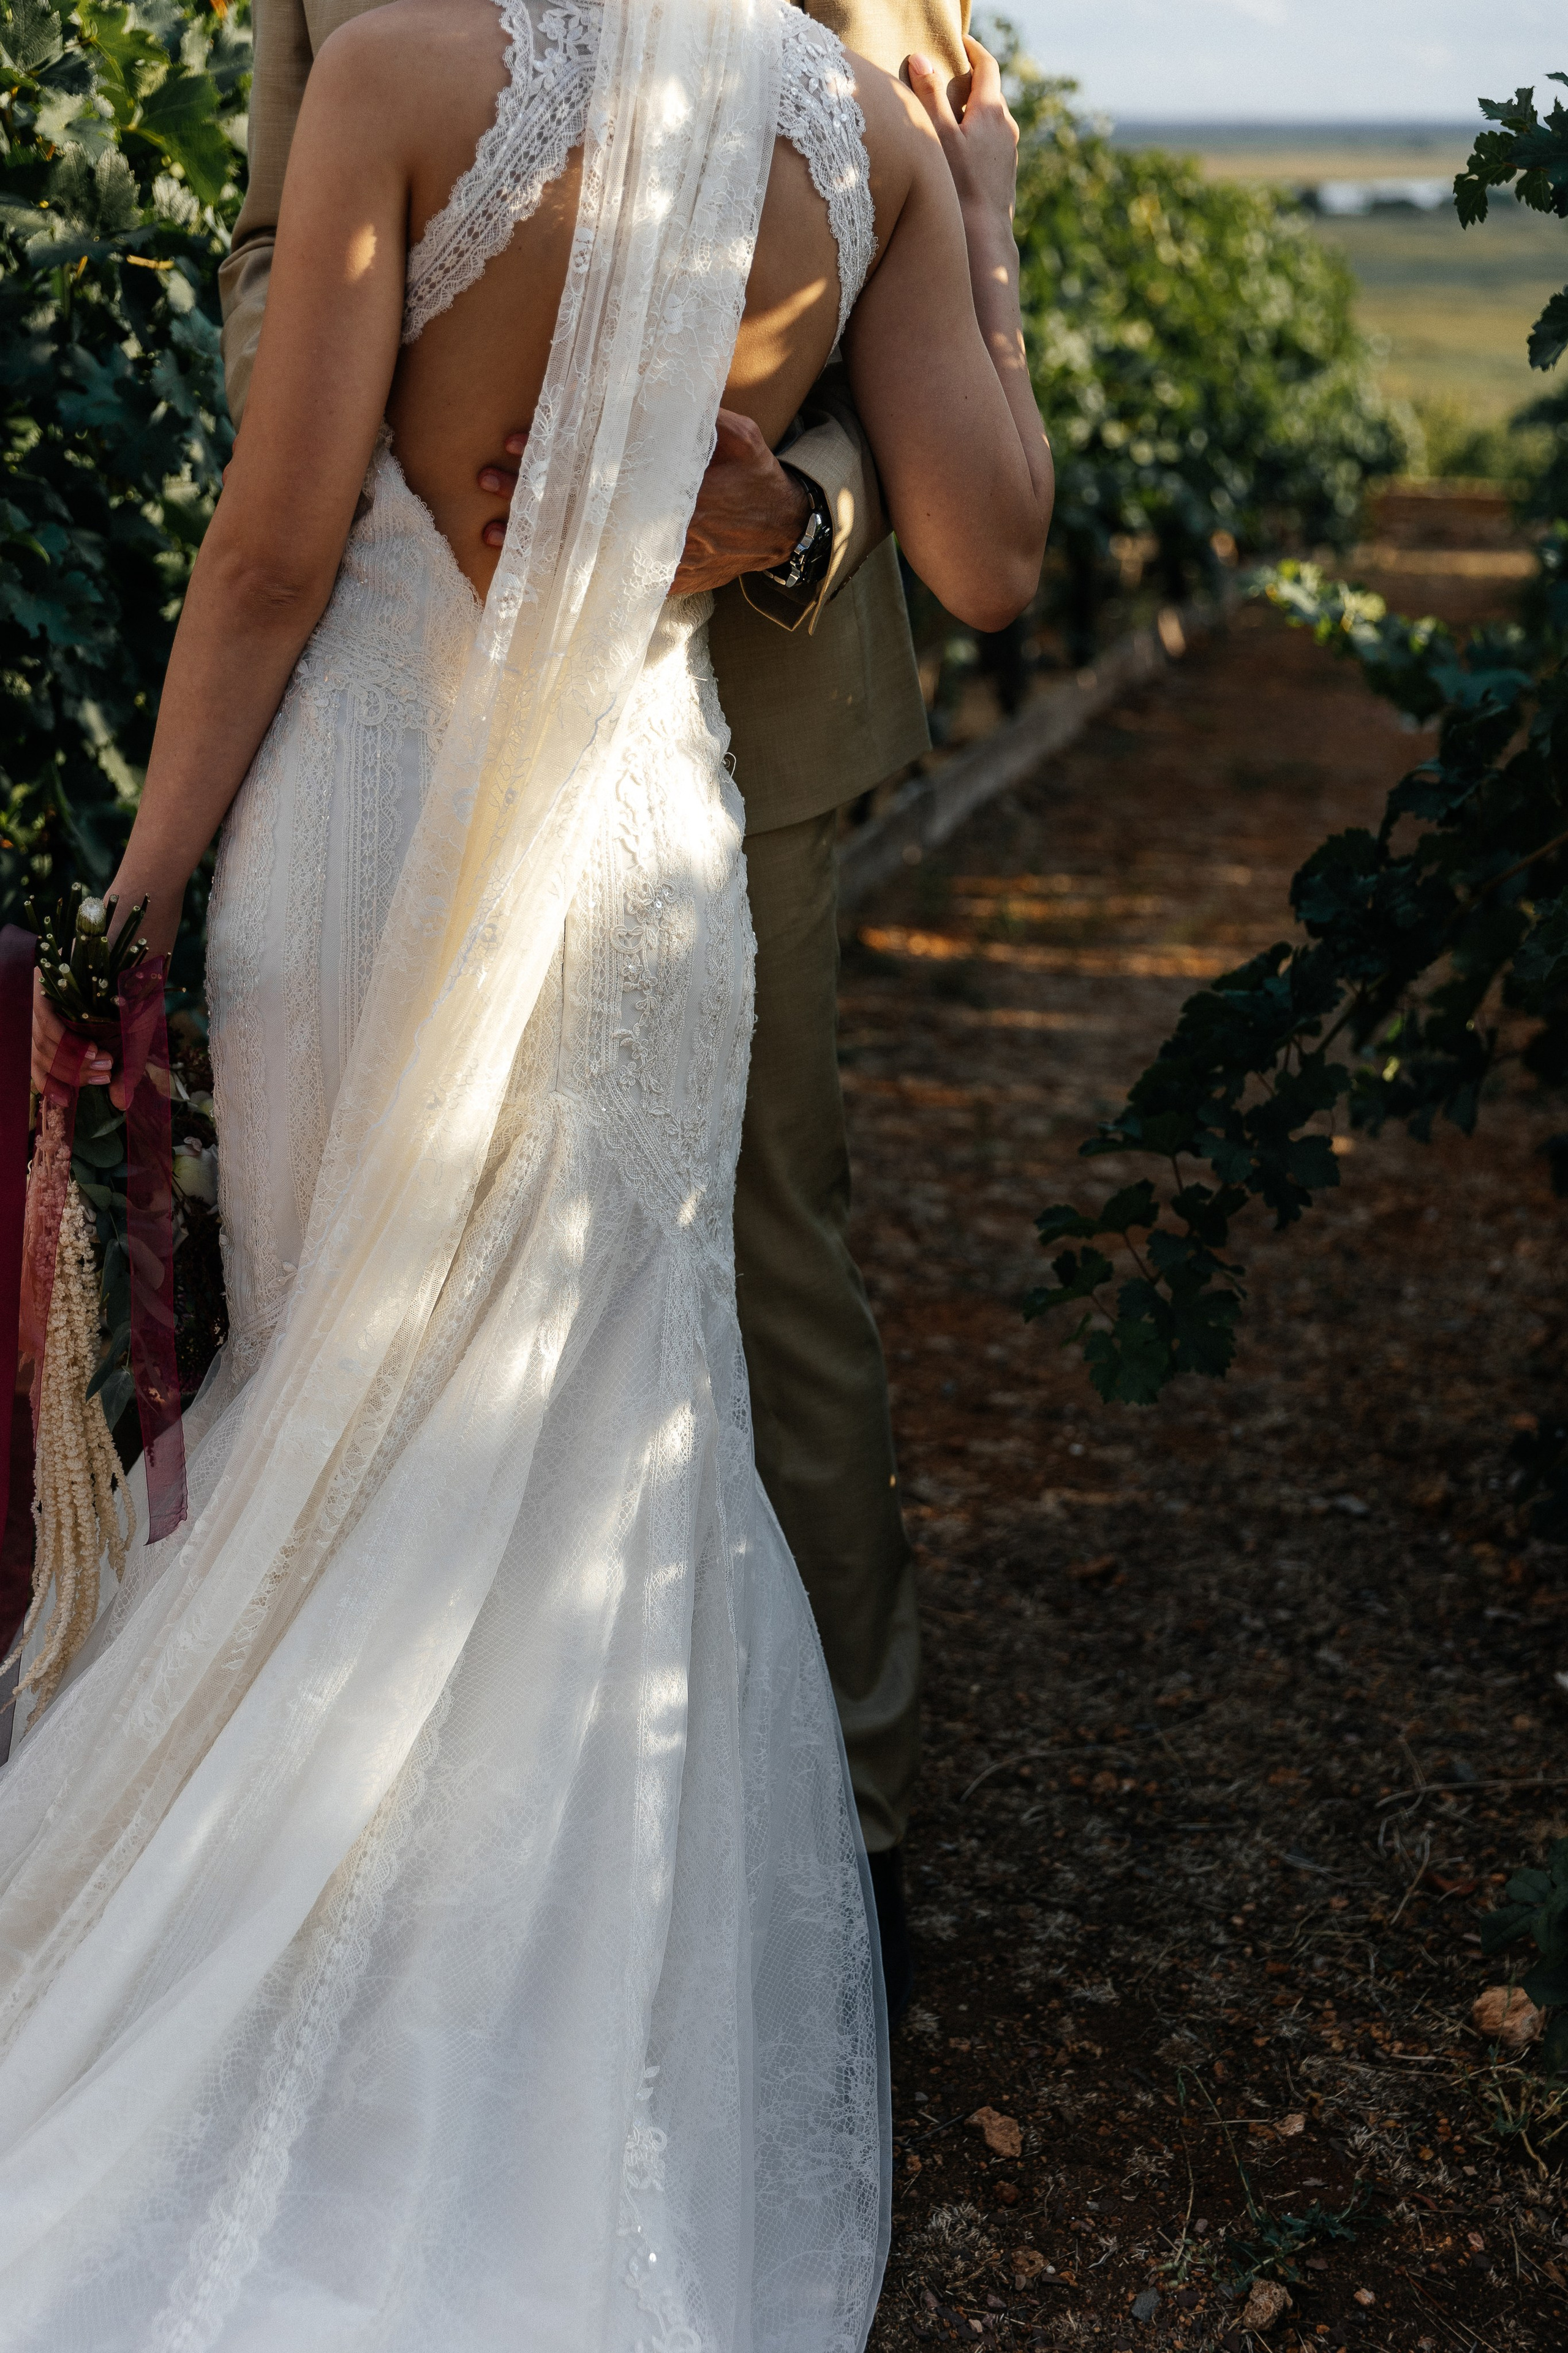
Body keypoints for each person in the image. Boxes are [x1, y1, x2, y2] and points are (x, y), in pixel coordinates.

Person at [9, 0, 1050, 2338]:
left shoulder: (394, 72)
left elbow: (274, 558)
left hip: (365, 827)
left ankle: (298, 1972)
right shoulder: (866, 124)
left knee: (348, 1416)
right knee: (605, 1446)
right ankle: (536, 2031)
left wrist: (131, 908)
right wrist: (982, 227)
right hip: (639, 873)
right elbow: (991, 559)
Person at [217, 0, 977, 2014]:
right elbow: (266, 260)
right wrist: (379, 427)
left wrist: (767, 512)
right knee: (408, 1288)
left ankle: (842, 1827)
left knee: (749, 1259)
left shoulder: (880, 38)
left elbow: (943, 417)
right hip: (423, 614)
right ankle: (409, 1868)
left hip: (733, 678)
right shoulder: (353, 36)